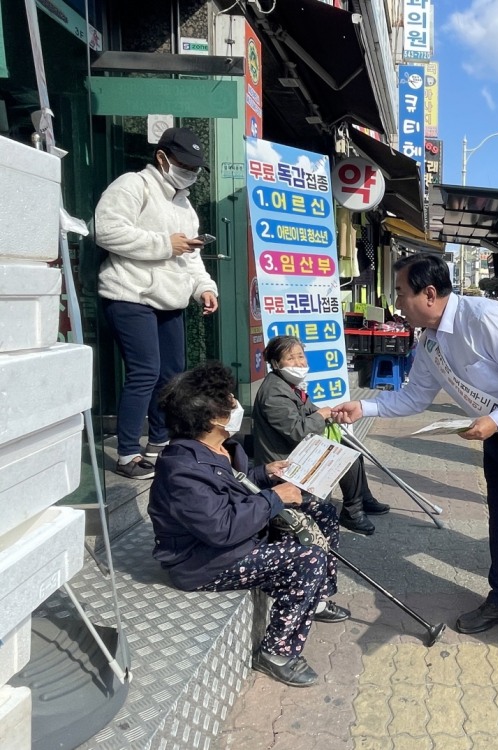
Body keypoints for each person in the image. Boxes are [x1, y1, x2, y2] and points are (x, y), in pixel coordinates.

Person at [330, 253, 498, 665]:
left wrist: (496, 420)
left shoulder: (484, 317)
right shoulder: (429, 342)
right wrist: (363, 408)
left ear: (428, 293)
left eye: (401, 294)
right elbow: (413, 397)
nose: (397, 303)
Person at [148, 362, 349, 688]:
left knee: (320, 511)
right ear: (213, 418)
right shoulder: (181, 468)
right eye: (228, 400)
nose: (235, 403)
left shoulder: (219, 447)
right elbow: (221, 528)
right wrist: (275, 498)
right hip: (204, 561)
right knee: (307, 556)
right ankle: (277, 652)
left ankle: (319, 597)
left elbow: (230, 488)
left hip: (237, 537)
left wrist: (265, 474)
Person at [95, 127, 219, 480]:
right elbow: (105, 230)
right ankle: (127, 453)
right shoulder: (133, 185)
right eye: (184, 165)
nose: (190, 174)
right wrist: (165, 244)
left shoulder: (184, 202)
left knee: (172, 377)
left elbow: (191, 255)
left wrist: (205, 289)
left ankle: (160, 444)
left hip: (170, 299)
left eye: (195, 168)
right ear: (162, 158)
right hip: (129, 294)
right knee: (145, 371)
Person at [252, 335, 390, 535]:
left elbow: (309, 411)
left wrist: (332, 414)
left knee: (351, 448)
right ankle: (352, 512)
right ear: (276, 363)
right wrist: (320, 415)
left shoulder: (288, 385)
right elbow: (297, 431)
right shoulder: (274, 393)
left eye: (301, 356)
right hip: (283, 462)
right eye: (290, 358)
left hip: (295, 450)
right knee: (344, 457)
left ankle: (362, 498)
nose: (299, 363)